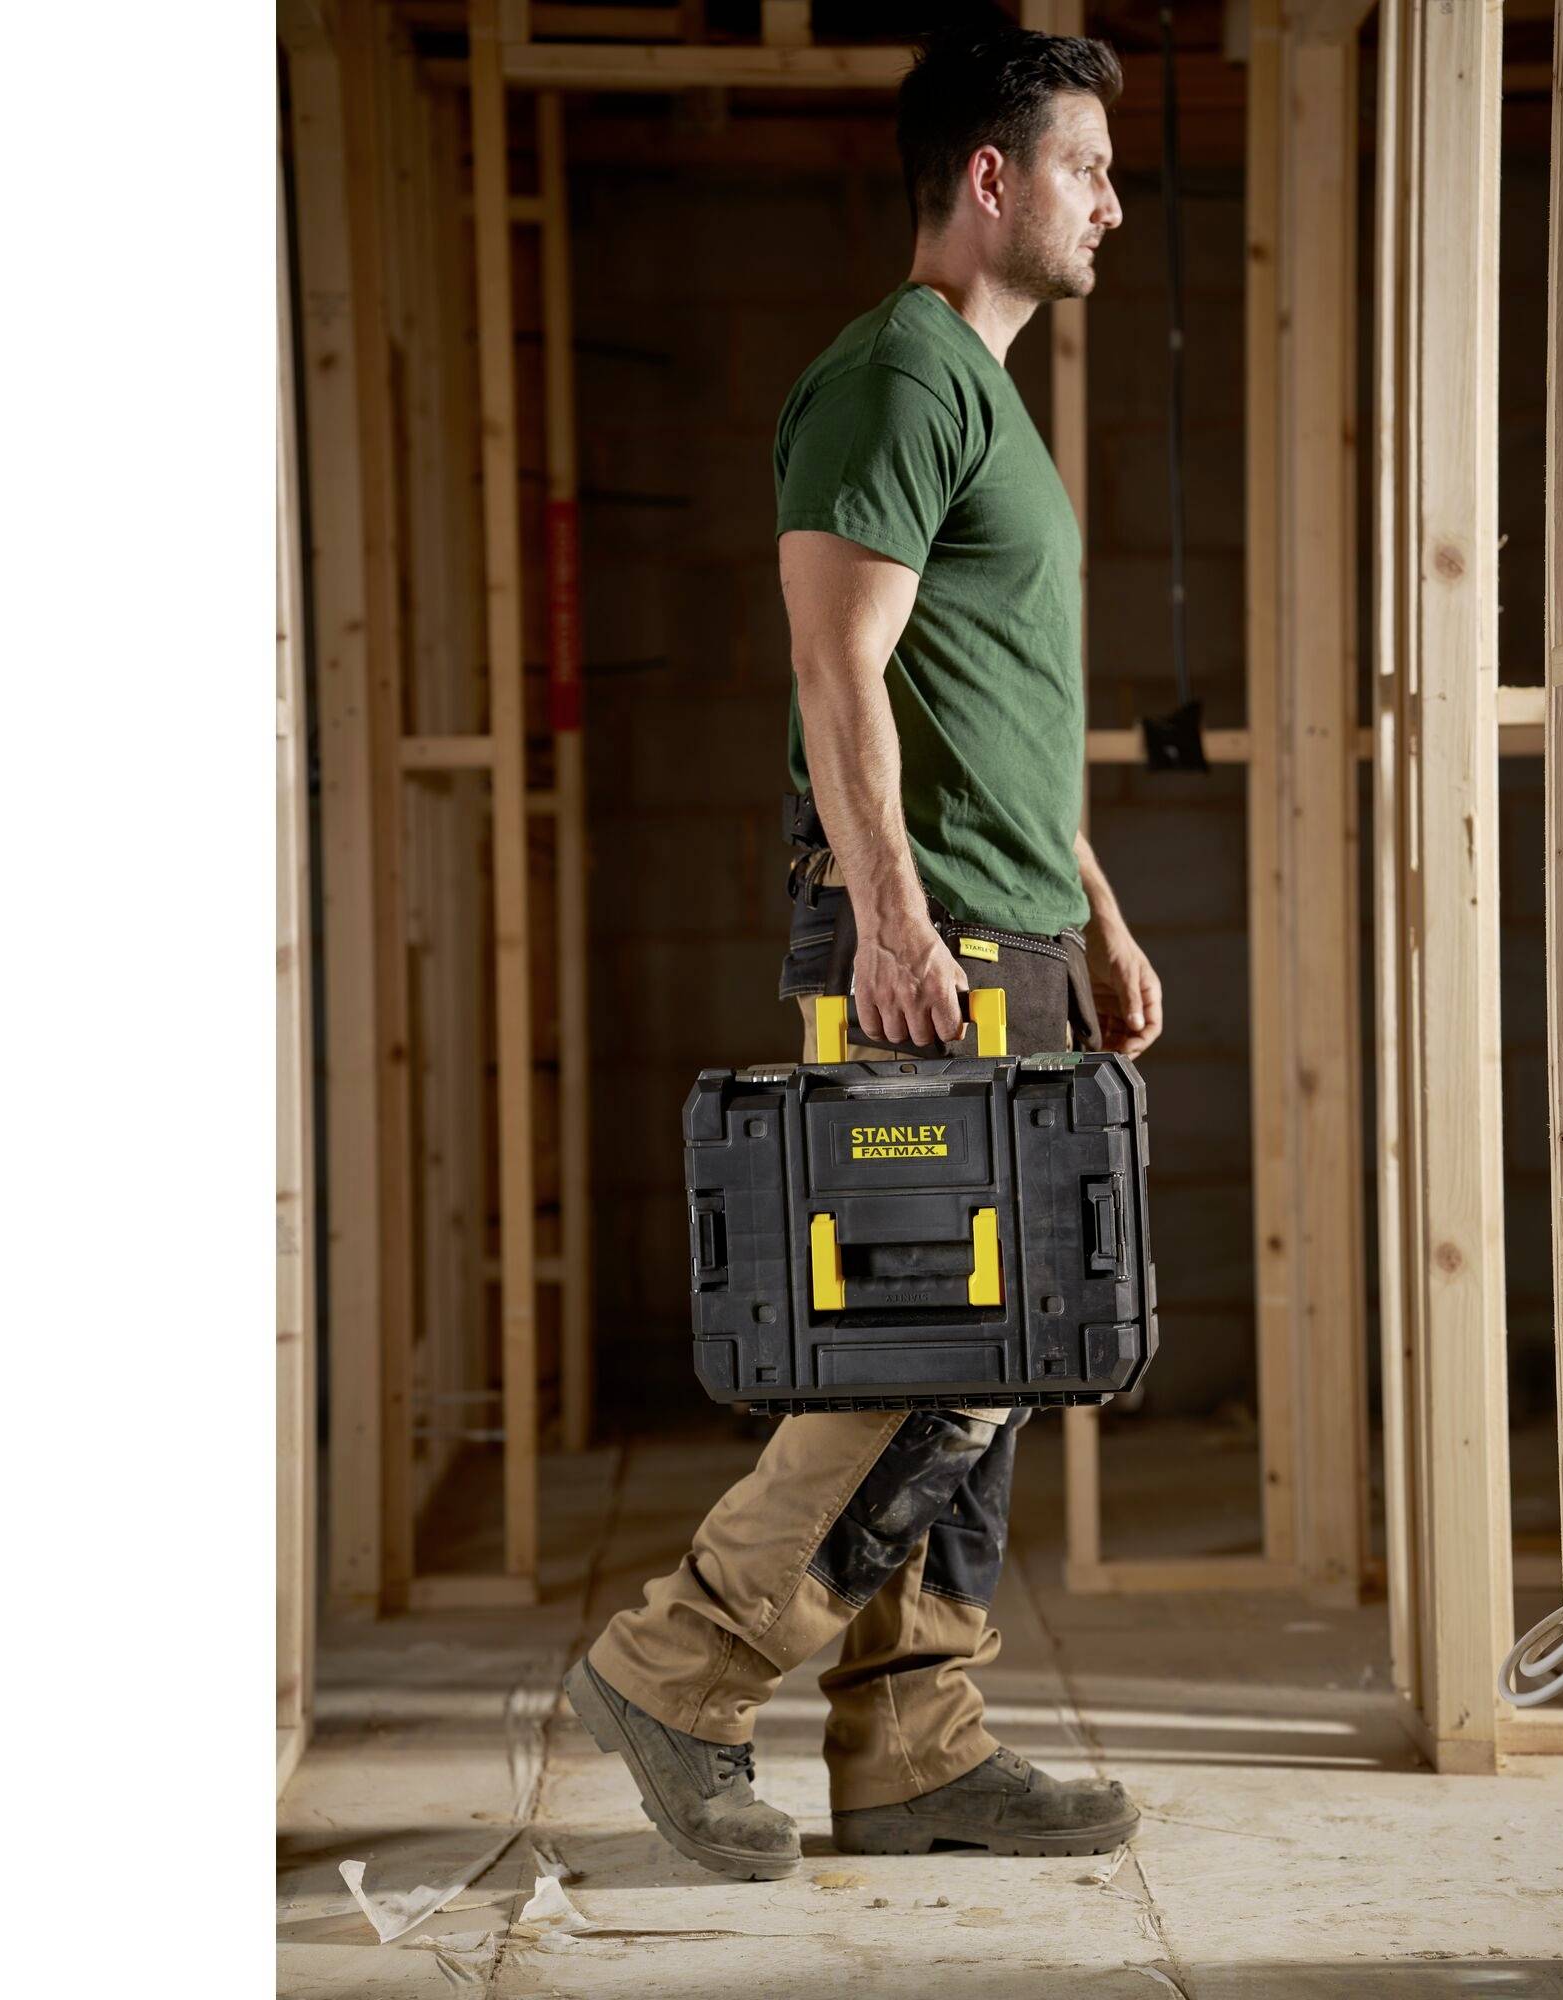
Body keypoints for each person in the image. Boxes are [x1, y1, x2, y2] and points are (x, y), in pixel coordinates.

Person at [563, 24, 1164, 1883]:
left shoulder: (981, 401)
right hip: (924, 933)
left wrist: (1101, 914)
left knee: (1001, 1343)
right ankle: (680, 1664)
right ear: (991, 178)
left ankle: (916, 1743)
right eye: (1083, 167)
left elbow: (976, 704)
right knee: (916, 1348)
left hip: (1012, 926)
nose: (1110, 202)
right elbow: (839, 670)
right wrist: (898, 917)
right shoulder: (898, 379)